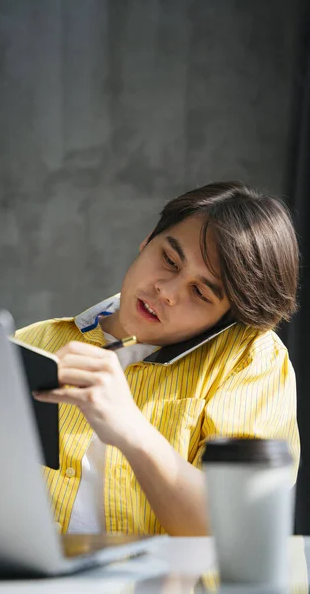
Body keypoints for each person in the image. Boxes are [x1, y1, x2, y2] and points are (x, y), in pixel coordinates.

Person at [16, 181, 300, 537]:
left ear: (227, 317)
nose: (165, 291)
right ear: (148, 238)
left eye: (199, 292)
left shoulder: (250, 362)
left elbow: (240, 537)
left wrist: (132, 431)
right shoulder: (33, 343)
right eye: (169, 260)